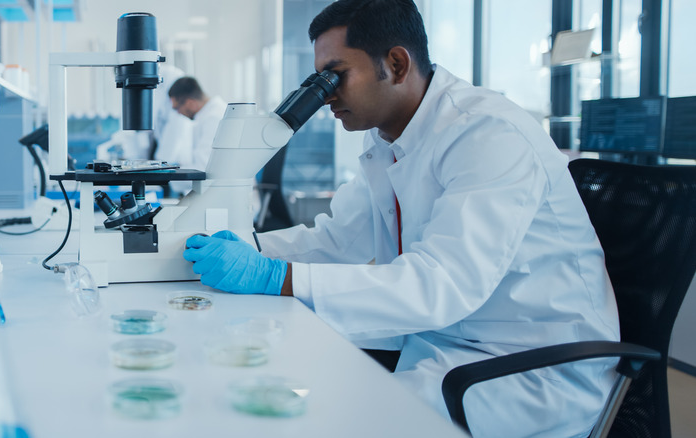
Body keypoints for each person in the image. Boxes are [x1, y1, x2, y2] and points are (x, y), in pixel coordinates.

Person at [183, 1, 620, 436]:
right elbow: (338, 240)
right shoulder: (390, 140)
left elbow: (441, 283)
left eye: (336, 75)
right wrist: (250, 249)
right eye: (320, 80)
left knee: (330, 420)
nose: (328, 94)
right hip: (444, 345)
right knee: (281, 377)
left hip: (529, 368)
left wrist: (273, 277)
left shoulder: (487, 133)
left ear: (395, 63)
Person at [168, 76, 227, 173]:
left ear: (190, 103)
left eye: (177, 108)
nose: (178, 113)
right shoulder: (208, 115)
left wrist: (169, 175)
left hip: (222, 186)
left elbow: (203, 168)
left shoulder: (214, 118)